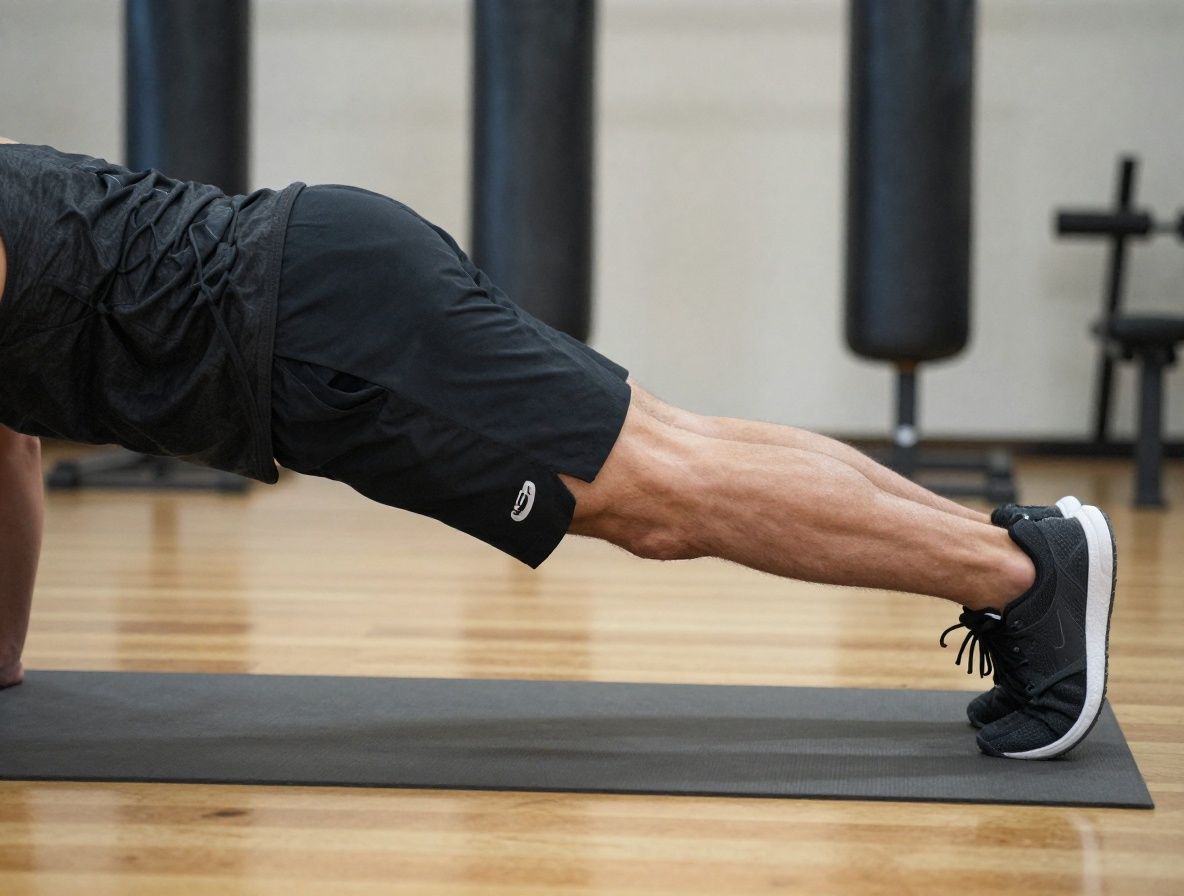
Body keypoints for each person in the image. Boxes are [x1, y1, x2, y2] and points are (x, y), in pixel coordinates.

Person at [0, 140, 1116, 760]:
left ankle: (1021, 581)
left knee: (659, 501)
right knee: (677, 447)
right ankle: (1024, 554)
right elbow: (12, 441)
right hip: (329, 264)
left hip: (320, 339)